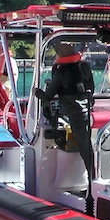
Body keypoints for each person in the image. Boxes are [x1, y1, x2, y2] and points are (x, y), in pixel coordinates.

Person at [34, 43, 95, 181]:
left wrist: (36, 92)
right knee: (86, 145)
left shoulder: (61, 72)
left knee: (85, 148)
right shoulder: (84, 67)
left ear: (60, 55)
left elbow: (48, 96)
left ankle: (93, 179)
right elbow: (91, 88)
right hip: (87, 111)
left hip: (74, 113)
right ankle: (92, 177)